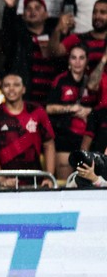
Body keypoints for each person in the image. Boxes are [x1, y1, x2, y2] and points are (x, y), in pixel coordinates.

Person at [0, 73, 56, 189]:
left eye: (16, 85)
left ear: (24, 89)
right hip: (3, 184)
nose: (11, 89)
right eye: (7, 85)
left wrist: (49, 177)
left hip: (35, 180)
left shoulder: (37, 111)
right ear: (1, 89)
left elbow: (49, 145)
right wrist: (2, 179)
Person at [46, 46, 97, 179]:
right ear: (68, 61)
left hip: (88, 141)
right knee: (66, 183)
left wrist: (89, 111)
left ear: (86, 61)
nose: (77, 62)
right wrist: (71, 108)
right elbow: (48, 108)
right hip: (65, 138)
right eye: (73, 58)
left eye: (81, 58)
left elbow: (100, 108)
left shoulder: (92, 82)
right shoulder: (60, 80)